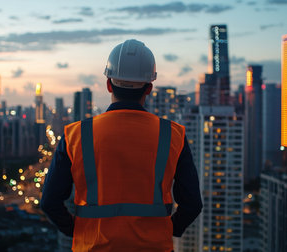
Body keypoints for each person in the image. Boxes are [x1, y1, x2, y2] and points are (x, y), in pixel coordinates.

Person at [41, 39, 202, 251]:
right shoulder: (172, 135)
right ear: (149, 88)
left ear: (109, 84)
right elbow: (192, 204)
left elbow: (49, 202)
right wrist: (165, 229)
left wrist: (80, 230)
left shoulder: (76, 134)